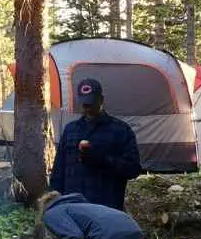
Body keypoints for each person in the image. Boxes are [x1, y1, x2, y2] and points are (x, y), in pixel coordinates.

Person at [49, 78, 141, 210]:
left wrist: (103, 160)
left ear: (101, 100)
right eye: (85, 104)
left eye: (91, 103)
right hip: (73, 206)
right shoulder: (71, 130)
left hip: (106, 208)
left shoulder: (120, 130)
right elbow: (59, 169)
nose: (88, 108)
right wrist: (55, 198)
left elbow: (133, 169)